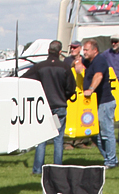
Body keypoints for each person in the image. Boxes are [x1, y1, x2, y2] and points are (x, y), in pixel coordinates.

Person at [24, 40, 75, 174]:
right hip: (59, 108)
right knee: (58, 139)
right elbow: (71, 88)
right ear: (60, 52)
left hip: (43, 108)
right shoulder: (65, 67)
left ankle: (37, 170)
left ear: (48, 51)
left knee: (41, 139)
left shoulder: (39, 67)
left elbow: (24, 80)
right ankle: (57, 169)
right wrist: (64, 96)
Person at [82, 39, 119, 169]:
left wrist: (90, 89)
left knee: (106, 132)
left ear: (95, 50)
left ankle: (111, 161)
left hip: (105, 102)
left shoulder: (100, 61)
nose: (84, 52)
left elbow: (98, 76)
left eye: (86, 50)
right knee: (94, 134)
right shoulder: (89, 61)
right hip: (96, 104)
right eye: (83, 49)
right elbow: (79, 64)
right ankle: (109, 158)